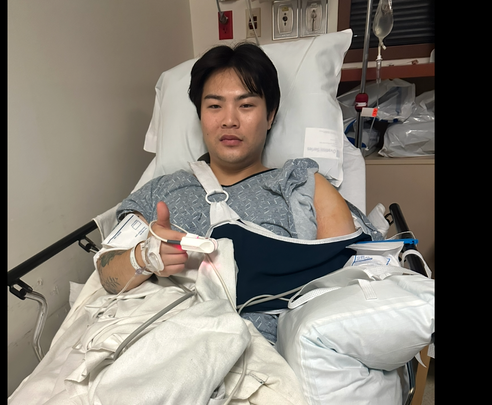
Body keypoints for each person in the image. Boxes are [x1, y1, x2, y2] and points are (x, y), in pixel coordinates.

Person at [96, 42, 366, 341]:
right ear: (200, 115)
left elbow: (344, 283)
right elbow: (107, 276)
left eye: (246, 105)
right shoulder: (161, 189)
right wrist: (145, 257)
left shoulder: (301, 183)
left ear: (270, 115)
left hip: (259, 351)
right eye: (214, 106)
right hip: (158, 339)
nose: (229, 120)